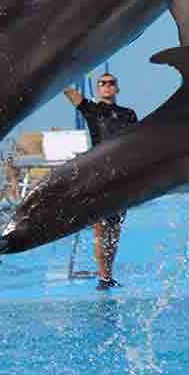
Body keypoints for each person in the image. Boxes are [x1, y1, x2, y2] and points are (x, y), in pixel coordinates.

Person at [63, 73, 138, 290]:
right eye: (102, 83)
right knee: (100, 228)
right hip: (99, 174)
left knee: (114, 229)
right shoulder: (92, 110)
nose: (107, 86)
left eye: (111, 83)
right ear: (98, 89)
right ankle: (103, 276)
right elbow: (69, 92)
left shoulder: (129, 114)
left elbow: (137, 140)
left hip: (121, 175)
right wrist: (61, 73)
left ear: (117, 88)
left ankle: (109, 275)